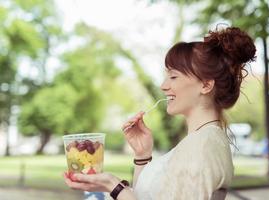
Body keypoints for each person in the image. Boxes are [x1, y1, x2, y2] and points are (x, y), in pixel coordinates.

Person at [64, 26, 256, 200]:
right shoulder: (201, 141)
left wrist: (114, 187)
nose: (163, 86)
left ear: (205, 85)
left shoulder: (202, 146)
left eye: (173, 76)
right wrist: (142, 154)